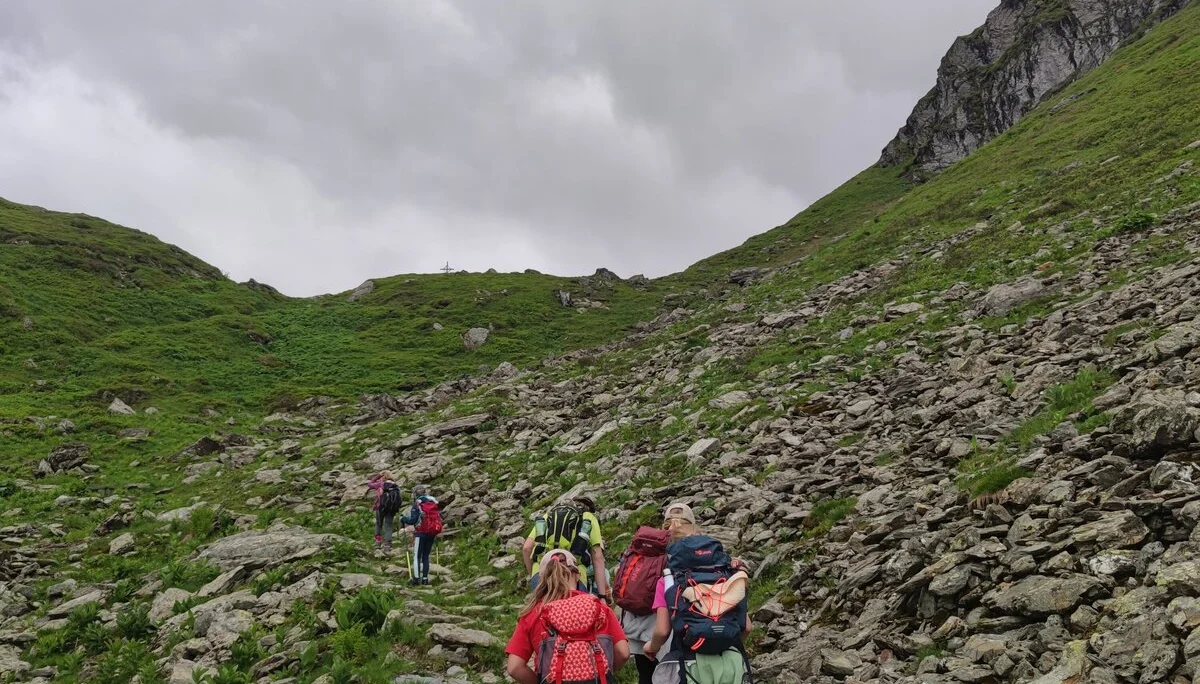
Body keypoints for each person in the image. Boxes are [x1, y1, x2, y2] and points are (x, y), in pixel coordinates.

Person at [644, 502, 753, 684]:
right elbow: (747, 627)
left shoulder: (668, 580)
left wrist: (651, 647)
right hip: (731, 660)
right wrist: (724, 640)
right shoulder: (726, 575)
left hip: (689, 663)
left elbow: (663, 631)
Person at [505, 550, 629, 684]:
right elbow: (623, 653)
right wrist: (605, 671)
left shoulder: (533, 613)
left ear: (543, 579)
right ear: (577, 575)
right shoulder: (600, 608)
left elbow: (514, 667)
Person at [522, 495, 610, 599]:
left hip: (543, 574)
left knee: (543, 612)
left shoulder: (548, 516)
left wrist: (534, 574)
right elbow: (597, 558)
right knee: (576, 612)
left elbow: (526, 548)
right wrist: (603, 596)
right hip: (572, 575)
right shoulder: (588, 518)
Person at [399, 484, 442, 586]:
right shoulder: (433, 503)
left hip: (421, 533)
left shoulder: (417, 504)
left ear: (415, 494)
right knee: (426, 557)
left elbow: (413, 520)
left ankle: (416, 579)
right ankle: (425, 579)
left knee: (417, 556)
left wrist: (403, 518)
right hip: (431, 533)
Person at [365, 471, 401, 553]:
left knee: (379, 523)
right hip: (391, 509)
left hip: (380, 507)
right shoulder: (395, 486)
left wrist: (378, 476)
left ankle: (378, 542)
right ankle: (387, 545)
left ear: (383, 477)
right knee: (388, 525)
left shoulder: (381, 484)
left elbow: (370, 484)